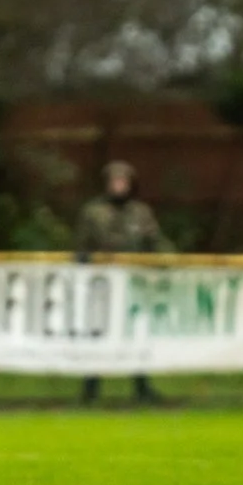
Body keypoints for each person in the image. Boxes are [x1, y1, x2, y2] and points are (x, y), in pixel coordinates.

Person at [74, 160, 170, 404]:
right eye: (114, 181)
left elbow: (155, 241)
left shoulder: (140, 213)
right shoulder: (93, 212)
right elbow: (82, 246)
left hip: (133, 284)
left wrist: (168, 259)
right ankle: (91, 389)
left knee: (136, 334)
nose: (119, 186)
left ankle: (141, 387)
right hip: (101, 286)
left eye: (123, 181)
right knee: (97, 336)